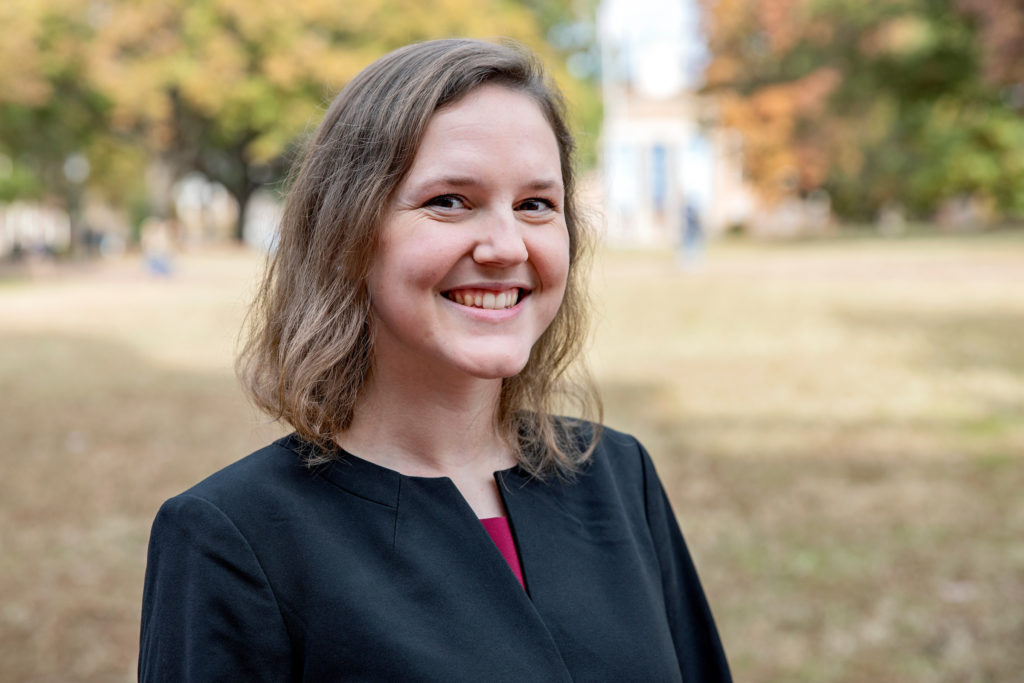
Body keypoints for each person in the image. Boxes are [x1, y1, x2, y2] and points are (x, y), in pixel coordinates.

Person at [139, 38, 731, 681]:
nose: (506, 246)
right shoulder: (234, 538)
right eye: (449, 201)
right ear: (347, 232)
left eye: (536, 205)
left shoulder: (620, 479)